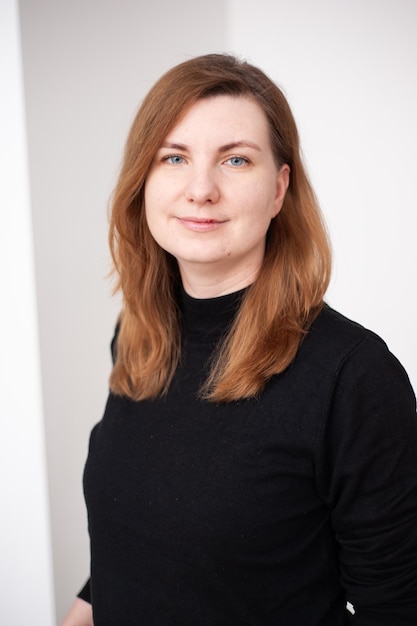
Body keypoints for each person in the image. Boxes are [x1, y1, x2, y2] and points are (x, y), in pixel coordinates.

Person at [62, 54, 417, 626]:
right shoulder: (139, 338)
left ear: (279, 190)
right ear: (143, 182)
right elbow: (136, 547)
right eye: (174, 157)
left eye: (235, 159)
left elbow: (396, 607)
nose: (200, 189)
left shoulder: (353, 376)